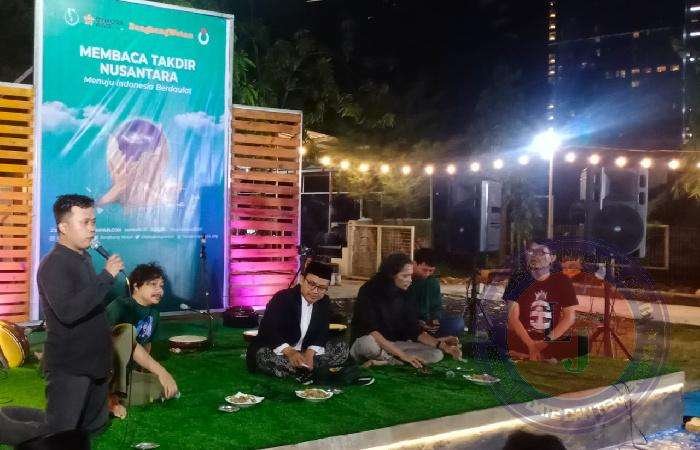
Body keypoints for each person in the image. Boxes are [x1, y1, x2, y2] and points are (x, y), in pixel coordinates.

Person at [0, 194, 123, 445]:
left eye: (93, 222)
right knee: (58, 436)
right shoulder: (53, 265)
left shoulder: (83, 257)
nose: (92, 228)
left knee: (93, 428)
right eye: (85, 222)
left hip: (94, 361)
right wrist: (106, 277)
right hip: (70, 364)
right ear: (63, 227)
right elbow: (69, 311)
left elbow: (90, 303)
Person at [350, 253, 462, 368]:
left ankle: (387, 361)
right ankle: (395, 359)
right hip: (370, 343)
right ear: (391, 275)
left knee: (436, 354)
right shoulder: (369, 290)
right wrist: (403, 355)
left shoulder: (405, 292)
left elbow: (414, 330)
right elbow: (372, 331)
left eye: (410, 276)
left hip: (393, 345)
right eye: (405, 276)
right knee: (368, 344)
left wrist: (443, 346)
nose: (410, 280)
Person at [246, 261, 349, 378]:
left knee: (342, 348)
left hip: (305, 351)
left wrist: (310, 353)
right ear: (302, 280)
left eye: (322, 288)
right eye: (312, 284)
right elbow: (267, 330)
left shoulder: (324, 301)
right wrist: (290, 352)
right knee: (264, 356)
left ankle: (303, 368)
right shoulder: (283, 298)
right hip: (279, 351)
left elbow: (322, 332)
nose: (315, 291)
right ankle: (310, 370)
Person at [107, 263, 178, 419]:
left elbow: (146, 346)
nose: (159, 290)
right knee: (127, 332)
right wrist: (162, 372)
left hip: (125, 375)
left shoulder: (154, 314)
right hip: (104, 371)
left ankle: (106, 399)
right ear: (136, 286)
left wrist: (147, 374)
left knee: (163, 389)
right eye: (153, 284)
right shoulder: (119, 306)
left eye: (161, 286)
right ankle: (110, 399)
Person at [502, 240, 583, 361]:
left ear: (552, 258)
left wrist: (543, 343)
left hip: (550, 338)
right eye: (531, 251)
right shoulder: (517, 279)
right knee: (496, 332)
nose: (535, 256)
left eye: (541, 252)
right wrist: (531, 345)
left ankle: (525, 354)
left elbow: (569, 318)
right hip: (523, 336)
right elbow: (513, 318)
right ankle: (541, 355)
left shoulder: (562, 281)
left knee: (582, 343)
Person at [406, 248, 443, 334]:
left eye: (431, 270)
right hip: (408, 321)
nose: (427, 274)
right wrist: (417, 321)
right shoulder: (405, 278)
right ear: (414, 263)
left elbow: (437, 306)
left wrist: (435, 319)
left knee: (457, 324)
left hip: (427, 321)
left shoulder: (432, 282)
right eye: (424, 270)